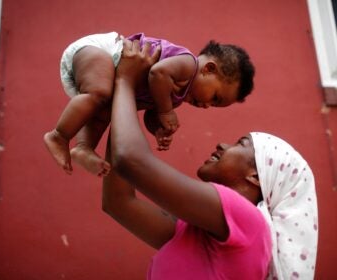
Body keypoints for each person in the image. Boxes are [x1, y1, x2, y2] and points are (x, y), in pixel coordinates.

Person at [102, 39, 318, 279]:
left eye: (240, 144)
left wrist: (125, 81)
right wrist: (127, 98)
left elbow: (130, 159)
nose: (222, 144)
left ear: (256, 176)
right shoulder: (198, 231)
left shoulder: (247, 220)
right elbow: (118, 202)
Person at [43, 31, 255, 176]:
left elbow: (149, 114)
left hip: (105, 77)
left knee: (104, 109)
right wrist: (166, 110)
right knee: (99, 93)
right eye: (215, 98)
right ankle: (58, 135)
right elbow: (158, 73)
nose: (208, 106)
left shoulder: (175, 96)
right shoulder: (188, 64)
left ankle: (83, 147)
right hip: (101, 52)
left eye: (215, 106)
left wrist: (158, 128)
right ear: (208, 69)